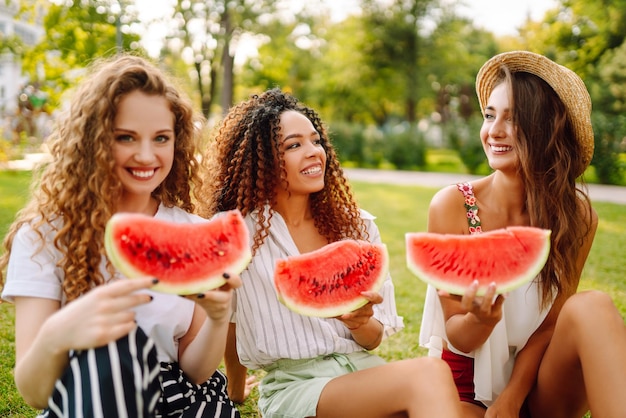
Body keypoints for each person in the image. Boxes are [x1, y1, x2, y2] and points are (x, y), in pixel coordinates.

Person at [0, 54, 242, 417]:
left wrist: (218, 316)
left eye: (161, 138)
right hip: (86, 395)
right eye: (125, 137)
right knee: (111, 350)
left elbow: (195, 371)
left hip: (179, 401)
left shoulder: (193, 231)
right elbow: (35, 393)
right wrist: (59, 334)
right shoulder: (43, 236)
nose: (146, 156)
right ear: (93, 141)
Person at [197, 88, 463, 418]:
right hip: (295, 388)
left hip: (363, 372)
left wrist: (360, 322)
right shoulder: (236, 234)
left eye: (316, 140)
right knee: (430, 373)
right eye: (294, 145)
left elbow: (373, 338)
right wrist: (235, 391)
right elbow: (231, 321)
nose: (313, 152)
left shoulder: (358, 228)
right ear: (260, 160)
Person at [419, 50, 626, 418]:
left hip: (540, 386)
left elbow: (550, 326)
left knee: (592, 306)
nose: (493, 131)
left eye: (512, 119)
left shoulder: (577, 216)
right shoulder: (452, 206)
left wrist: (514, 397)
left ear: (545, 129)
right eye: (489, 115)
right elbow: (457, 336)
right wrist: (480, 319)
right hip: (466, 388)